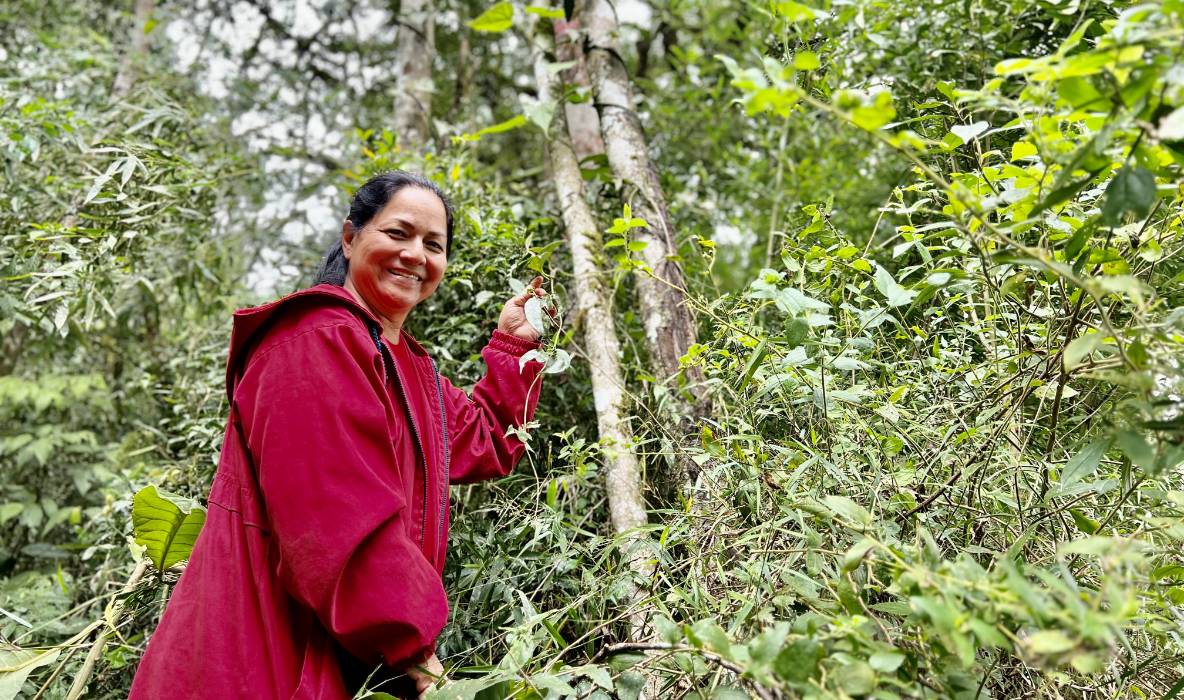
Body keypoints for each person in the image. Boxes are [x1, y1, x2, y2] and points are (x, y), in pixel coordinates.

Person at [129, 171, 547, 699]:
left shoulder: (410, 370)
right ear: (350, 239)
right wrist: (415, 652)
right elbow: (335, 521)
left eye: (434, 245)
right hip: (261, 659)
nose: (416, 255)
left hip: (340, 655)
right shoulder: (314, 340)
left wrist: (513, 347)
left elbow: (487, 439)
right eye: (398, 233)